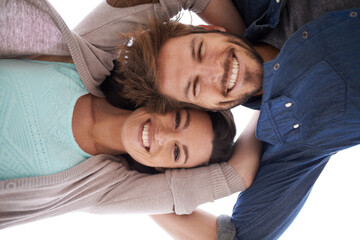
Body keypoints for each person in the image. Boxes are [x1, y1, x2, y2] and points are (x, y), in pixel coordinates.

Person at [70, 1, 360, 239]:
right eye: (195, 86)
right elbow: (238, 236)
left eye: (199, 50)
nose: (215, 69)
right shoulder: (296, 135)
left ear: (209, 28)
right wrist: (129, 181)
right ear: (205, 108)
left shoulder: (250, 7)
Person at [0, 0, 263, 229]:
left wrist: (268, 98)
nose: (162, 136)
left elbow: (234, 176)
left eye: (175, 152)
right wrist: (241, 57)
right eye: (177, 120)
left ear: (165, 170)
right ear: (162, 102)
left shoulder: (101, 189)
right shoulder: (90, 57)